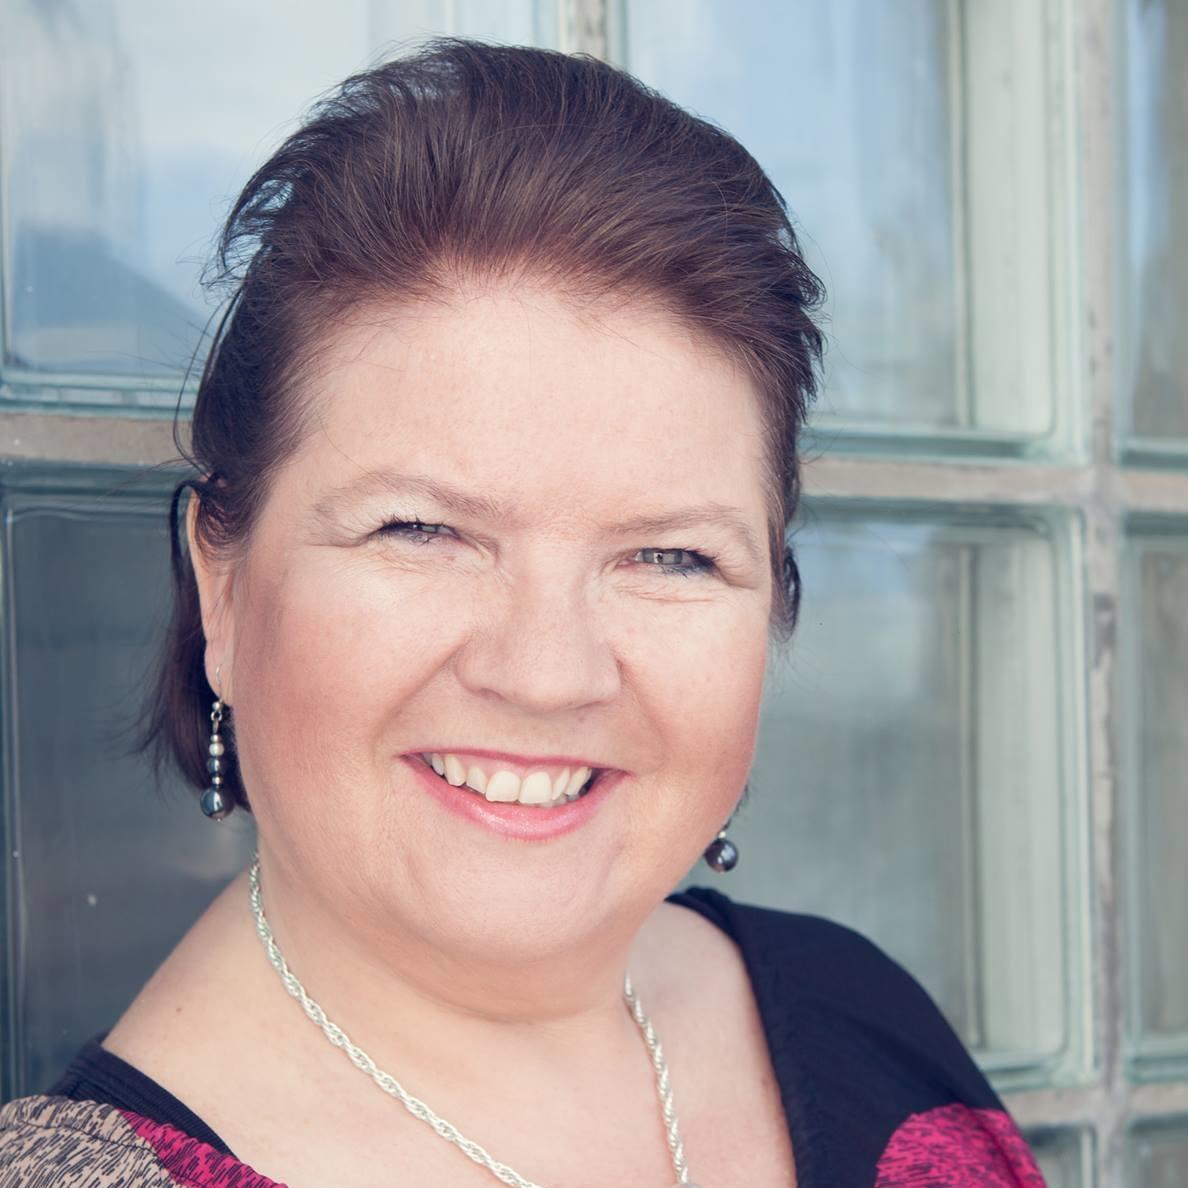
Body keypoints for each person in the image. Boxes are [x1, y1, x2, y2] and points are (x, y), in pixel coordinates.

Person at [0, 37, 1045, 1188]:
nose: (548, 673)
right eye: (422, 532)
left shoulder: (863, 1021)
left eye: (671, 555)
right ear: (224, 587)